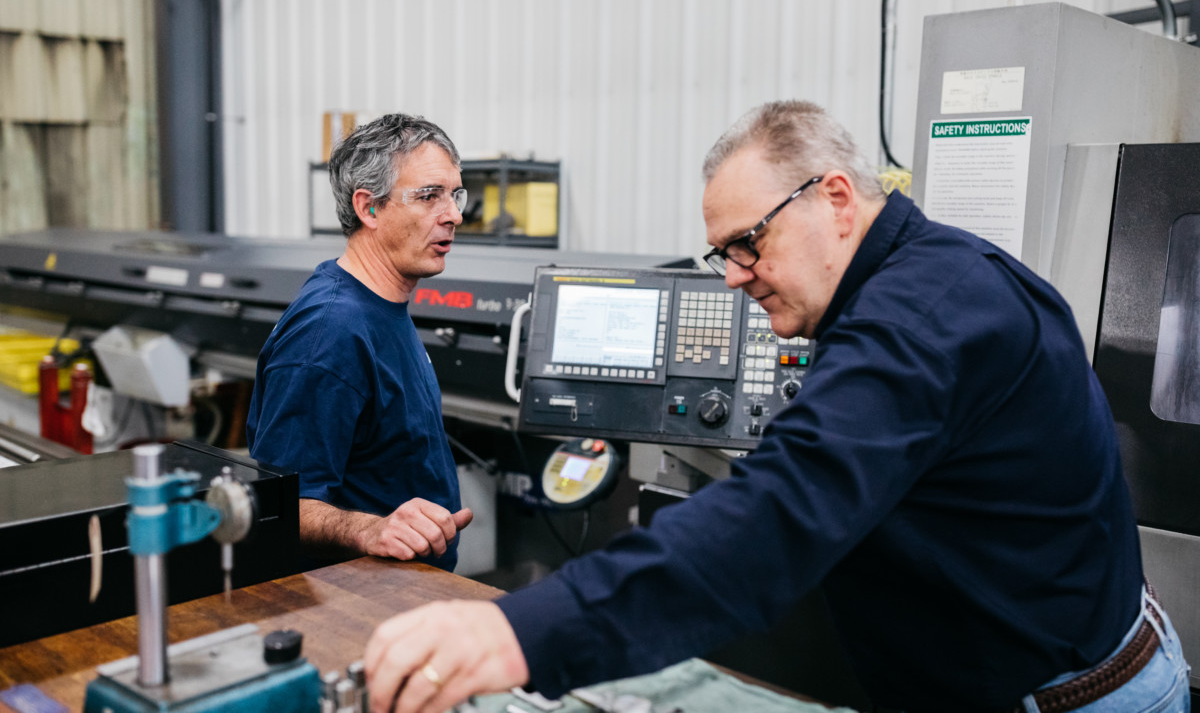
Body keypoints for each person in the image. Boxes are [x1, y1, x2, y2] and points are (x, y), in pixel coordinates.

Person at [362, 101, 1190, 712]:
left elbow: (778, 516)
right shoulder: (919, 281)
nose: (731, 275)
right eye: (719, 253)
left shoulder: (923, 319)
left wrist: (517, 634)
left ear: (834, 198)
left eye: (747, 244)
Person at [247, 113, 473, 572]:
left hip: (409, 589)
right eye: (430, 196)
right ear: (369, 208)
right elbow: (282, 505)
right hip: (358, 604)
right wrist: (370, 530)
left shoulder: (382, 305)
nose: (454, 214)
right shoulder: (328, 334)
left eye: (455, 194)